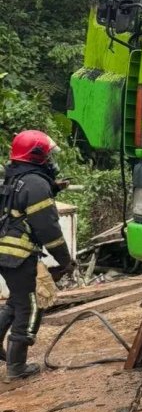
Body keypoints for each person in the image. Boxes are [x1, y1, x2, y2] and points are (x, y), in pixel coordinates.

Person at [0, 131, 76, 381]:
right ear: (37, 156)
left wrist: (51, 188)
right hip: (19, 254)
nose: (50, 160)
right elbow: (49, 230)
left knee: (16, 302)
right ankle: (17, 368)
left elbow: (23, 201)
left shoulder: (16, 177)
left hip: (6, 251)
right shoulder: (35, 184)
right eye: (47, 155)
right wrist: (66, 261)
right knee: (31, 306)